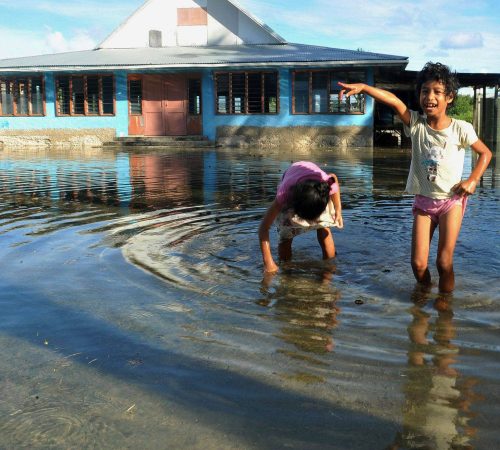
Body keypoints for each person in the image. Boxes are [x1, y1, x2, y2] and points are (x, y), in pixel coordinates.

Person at [339, 62, 492, 293]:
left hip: (452, 201)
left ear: (449, 97)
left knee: (443, 262)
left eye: (437, 92)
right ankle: (424, 294)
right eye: (425, 91)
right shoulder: (416, 124)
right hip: (424, 202)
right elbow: (393, 101)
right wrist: (365, 88)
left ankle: (444, 306)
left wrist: (472, 180)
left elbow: (485, 153)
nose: (430, 96)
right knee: (418, 264)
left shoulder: (461, 128)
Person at [258, 161, 343, 273]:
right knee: (285, 235)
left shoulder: (324, 184)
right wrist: (268, 262)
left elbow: (333, 178)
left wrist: (338, 211)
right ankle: (286, 268)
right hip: (294, 189)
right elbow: (263, 228)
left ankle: (330, 265)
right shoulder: (284, 194)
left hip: (314, 190)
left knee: (324, 227)